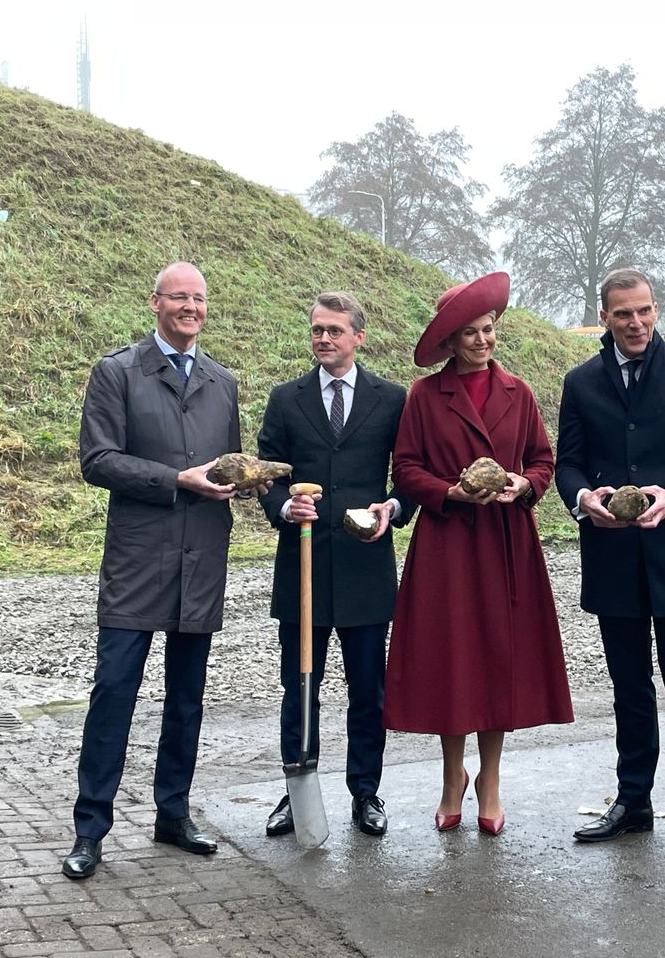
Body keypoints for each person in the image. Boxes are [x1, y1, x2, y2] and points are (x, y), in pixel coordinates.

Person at [64, 262, 265, 880]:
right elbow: (96, 460)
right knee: (115, 693)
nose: (191, 308)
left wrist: (250, 485)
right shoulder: (116, 372)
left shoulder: (222, 381)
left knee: (187, 698)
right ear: (155, 303)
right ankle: (90, 828)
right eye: (180, 297)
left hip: (202, 555)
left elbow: (227, 465)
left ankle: (172, 813)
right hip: (138, 556)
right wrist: (176, 480)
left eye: (200, 299)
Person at [554, 268, 665, 865]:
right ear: (604, 317)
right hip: (612, 560)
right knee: (629, 690)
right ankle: (633, 803)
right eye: (623, 314)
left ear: (656, 311)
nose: (636, 323)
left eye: (645, 311)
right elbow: (569, 466)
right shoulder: (580, 383)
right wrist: (583, 500)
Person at [384, 272, 573, 835]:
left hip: (507, 544)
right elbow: (406, 468)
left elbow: (543, 459)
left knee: (499, 661)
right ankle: (451, 778)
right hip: (447, 545)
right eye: (469, 333)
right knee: (453, 662)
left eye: (488, 330)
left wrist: (524, 485)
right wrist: (449, 492)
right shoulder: (424, 396)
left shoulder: (519, 392)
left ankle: (489, 779)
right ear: (450, 342)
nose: (482, 341)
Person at [256, 292, 412, 838]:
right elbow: (268, 476)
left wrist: (391, 509)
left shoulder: (391, 400)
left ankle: (365, 791)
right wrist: (282, 506)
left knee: (367, 689)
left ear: (358, 337)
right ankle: (298, 791)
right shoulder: (285, 399)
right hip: (301, 565)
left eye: (335, 331)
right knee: (300, 684)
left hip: (366, 567)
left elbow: (410, 474)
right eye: (318, 330)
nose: (324, 338)